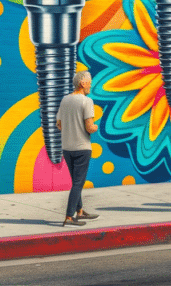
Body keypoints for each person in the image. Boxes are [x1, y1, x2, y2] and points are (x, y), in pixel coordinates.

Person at [56, 70, 100, 226]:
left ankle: (79, 211)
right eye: (89, 82)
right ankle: (69, 216)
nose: (90, 85)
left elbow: (59, 125)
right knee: (78, 183)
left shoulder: (64, 100)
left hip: (67, 148)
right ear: (82, 83)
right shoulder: (86, 101)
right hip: (82, 147)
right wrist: (95, 126)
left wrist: (71, 126)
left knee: (75, 180)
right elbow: (89, 127)